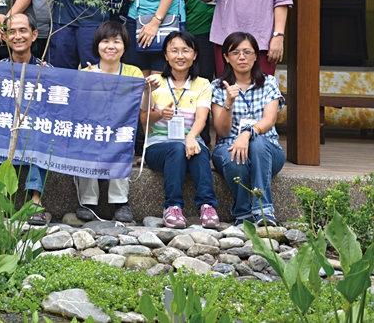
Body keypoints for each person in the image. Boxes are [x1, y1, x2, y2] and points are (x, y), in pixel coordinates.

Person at [139, 30, 221, 229]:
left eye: (186, 50)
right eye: (174, 51)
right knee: (176, 148)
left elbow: (202, 118)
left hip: (190, 142)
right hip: (158, 146)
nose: (180, 56)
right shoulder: (155, 81)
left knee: (200, 151)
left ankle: (207, 206)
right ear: (166, 55)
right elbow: (143, 120)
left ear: (195, 55)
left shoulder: (203, 84)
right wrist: (160, 114)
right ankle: (172, 206)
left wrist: (191, 137)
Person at [76, 20, 151, 223]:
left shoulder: (133, 72)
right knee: (87, 142)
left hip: (120, 130)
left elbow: (143, 108)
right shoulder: (85, 72)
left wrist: (146, 91)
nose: (111, 46)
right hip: (92, 131)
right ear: (97, 45)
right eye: (105, 41)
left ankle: (121, 202)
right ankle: (87, 201)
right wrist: (89, 84)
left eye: (116, 41)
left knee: (121, 141)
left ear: (124, 46)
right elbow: (76, 109)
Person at [211, 32, 286, 226]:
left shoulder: (269, 82)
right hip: (228, 147)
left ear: (256, 56)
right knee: (234, 157)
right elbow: (222, 131)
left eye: (247, 52)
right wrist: (229, 102)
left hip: (267, 150)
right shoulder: (218, 87)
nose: (242, 57)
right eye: (235, 53)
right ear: (226, 57)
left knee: (258, 143)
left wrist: (247, 134)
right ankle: (243, 213)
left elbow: (270, 119)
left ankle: (264, 211)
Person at [0, 12, 48, 224]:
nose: (17, 36)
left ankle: (35, 202)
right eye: (11, 32)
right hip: (0, 132)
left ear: (34, 35)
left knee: (44, 134)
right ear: (4, 36)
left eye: (23, 31)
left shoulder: (47, 70)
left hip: (30, 134)